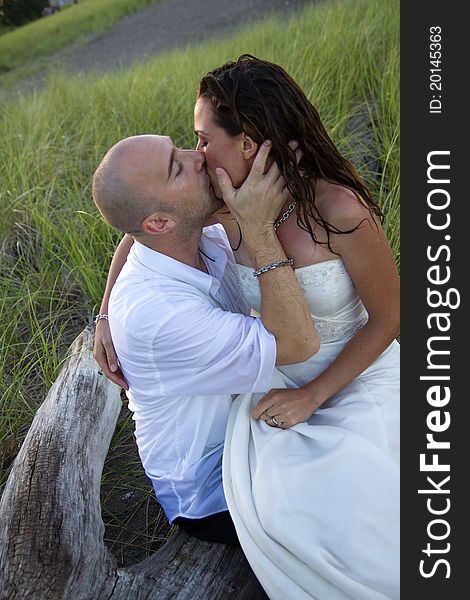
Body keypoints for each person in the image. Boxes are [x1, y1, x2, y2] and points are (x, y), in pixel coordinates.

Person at [94, 56, 400, 599]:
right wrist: (106, 314)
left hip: (351, 375)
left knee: (384, 497)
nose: (199, 155)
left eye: (202, 140)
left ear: (252, 146)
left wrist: (313, 394)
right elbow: (139, 226)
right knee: (311, 514)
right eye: (192, 144)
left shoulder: (338, 210)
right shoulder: (222, 208)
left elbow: (392, 317)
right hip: (268, 392)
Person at [92, 133, 319, 547]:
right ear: (161, 223)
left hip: (255, 420)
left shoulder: (191, 232)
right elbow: (297, 344)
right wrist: (259, 229)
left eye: (181, 145)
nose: (198, 156)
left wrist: (103, 310)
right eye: (177, 166)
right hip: (214, 488)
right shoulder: (158, 316)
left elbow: (135, 227)